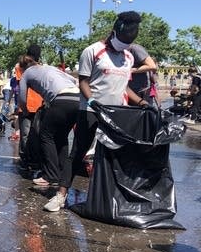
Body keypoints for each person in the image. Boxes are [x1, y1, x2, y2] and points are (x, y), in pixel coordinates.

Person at [44, 11, 148, 212]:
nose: (126, 45)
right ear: (114, 32)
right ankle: (60, 195)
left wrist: (142, 102)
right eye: (123, 39)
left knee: (114, 156)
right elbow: (83, 81)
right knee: (78, 152)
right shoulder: (92, 51)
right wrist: (92, 101)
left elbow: (124, 87)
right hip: (90, 111)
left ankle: (111, 197)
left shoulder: (128, 56)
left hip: (116, 113)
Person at [18, 56, 80, 187]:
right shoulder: (49, 67)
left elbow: (22, 98)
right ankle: (62, 172)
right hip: (77, 99)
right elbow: (75, 80)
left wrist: (25, 111)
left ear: (23, 66)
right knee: (61, 137)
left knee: (45, 135)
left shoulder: (27, 73)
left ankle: (50, 175)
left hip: (60, 100)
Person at [15, 44, 44, 169]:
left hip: (37, 105)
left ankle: (33, 159)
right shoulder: (21, 67)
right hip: (27, 105)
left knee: (33, 135)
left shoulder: (41, 68)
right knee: (27, 135)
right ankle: (26, 159)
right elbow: (20, 83)